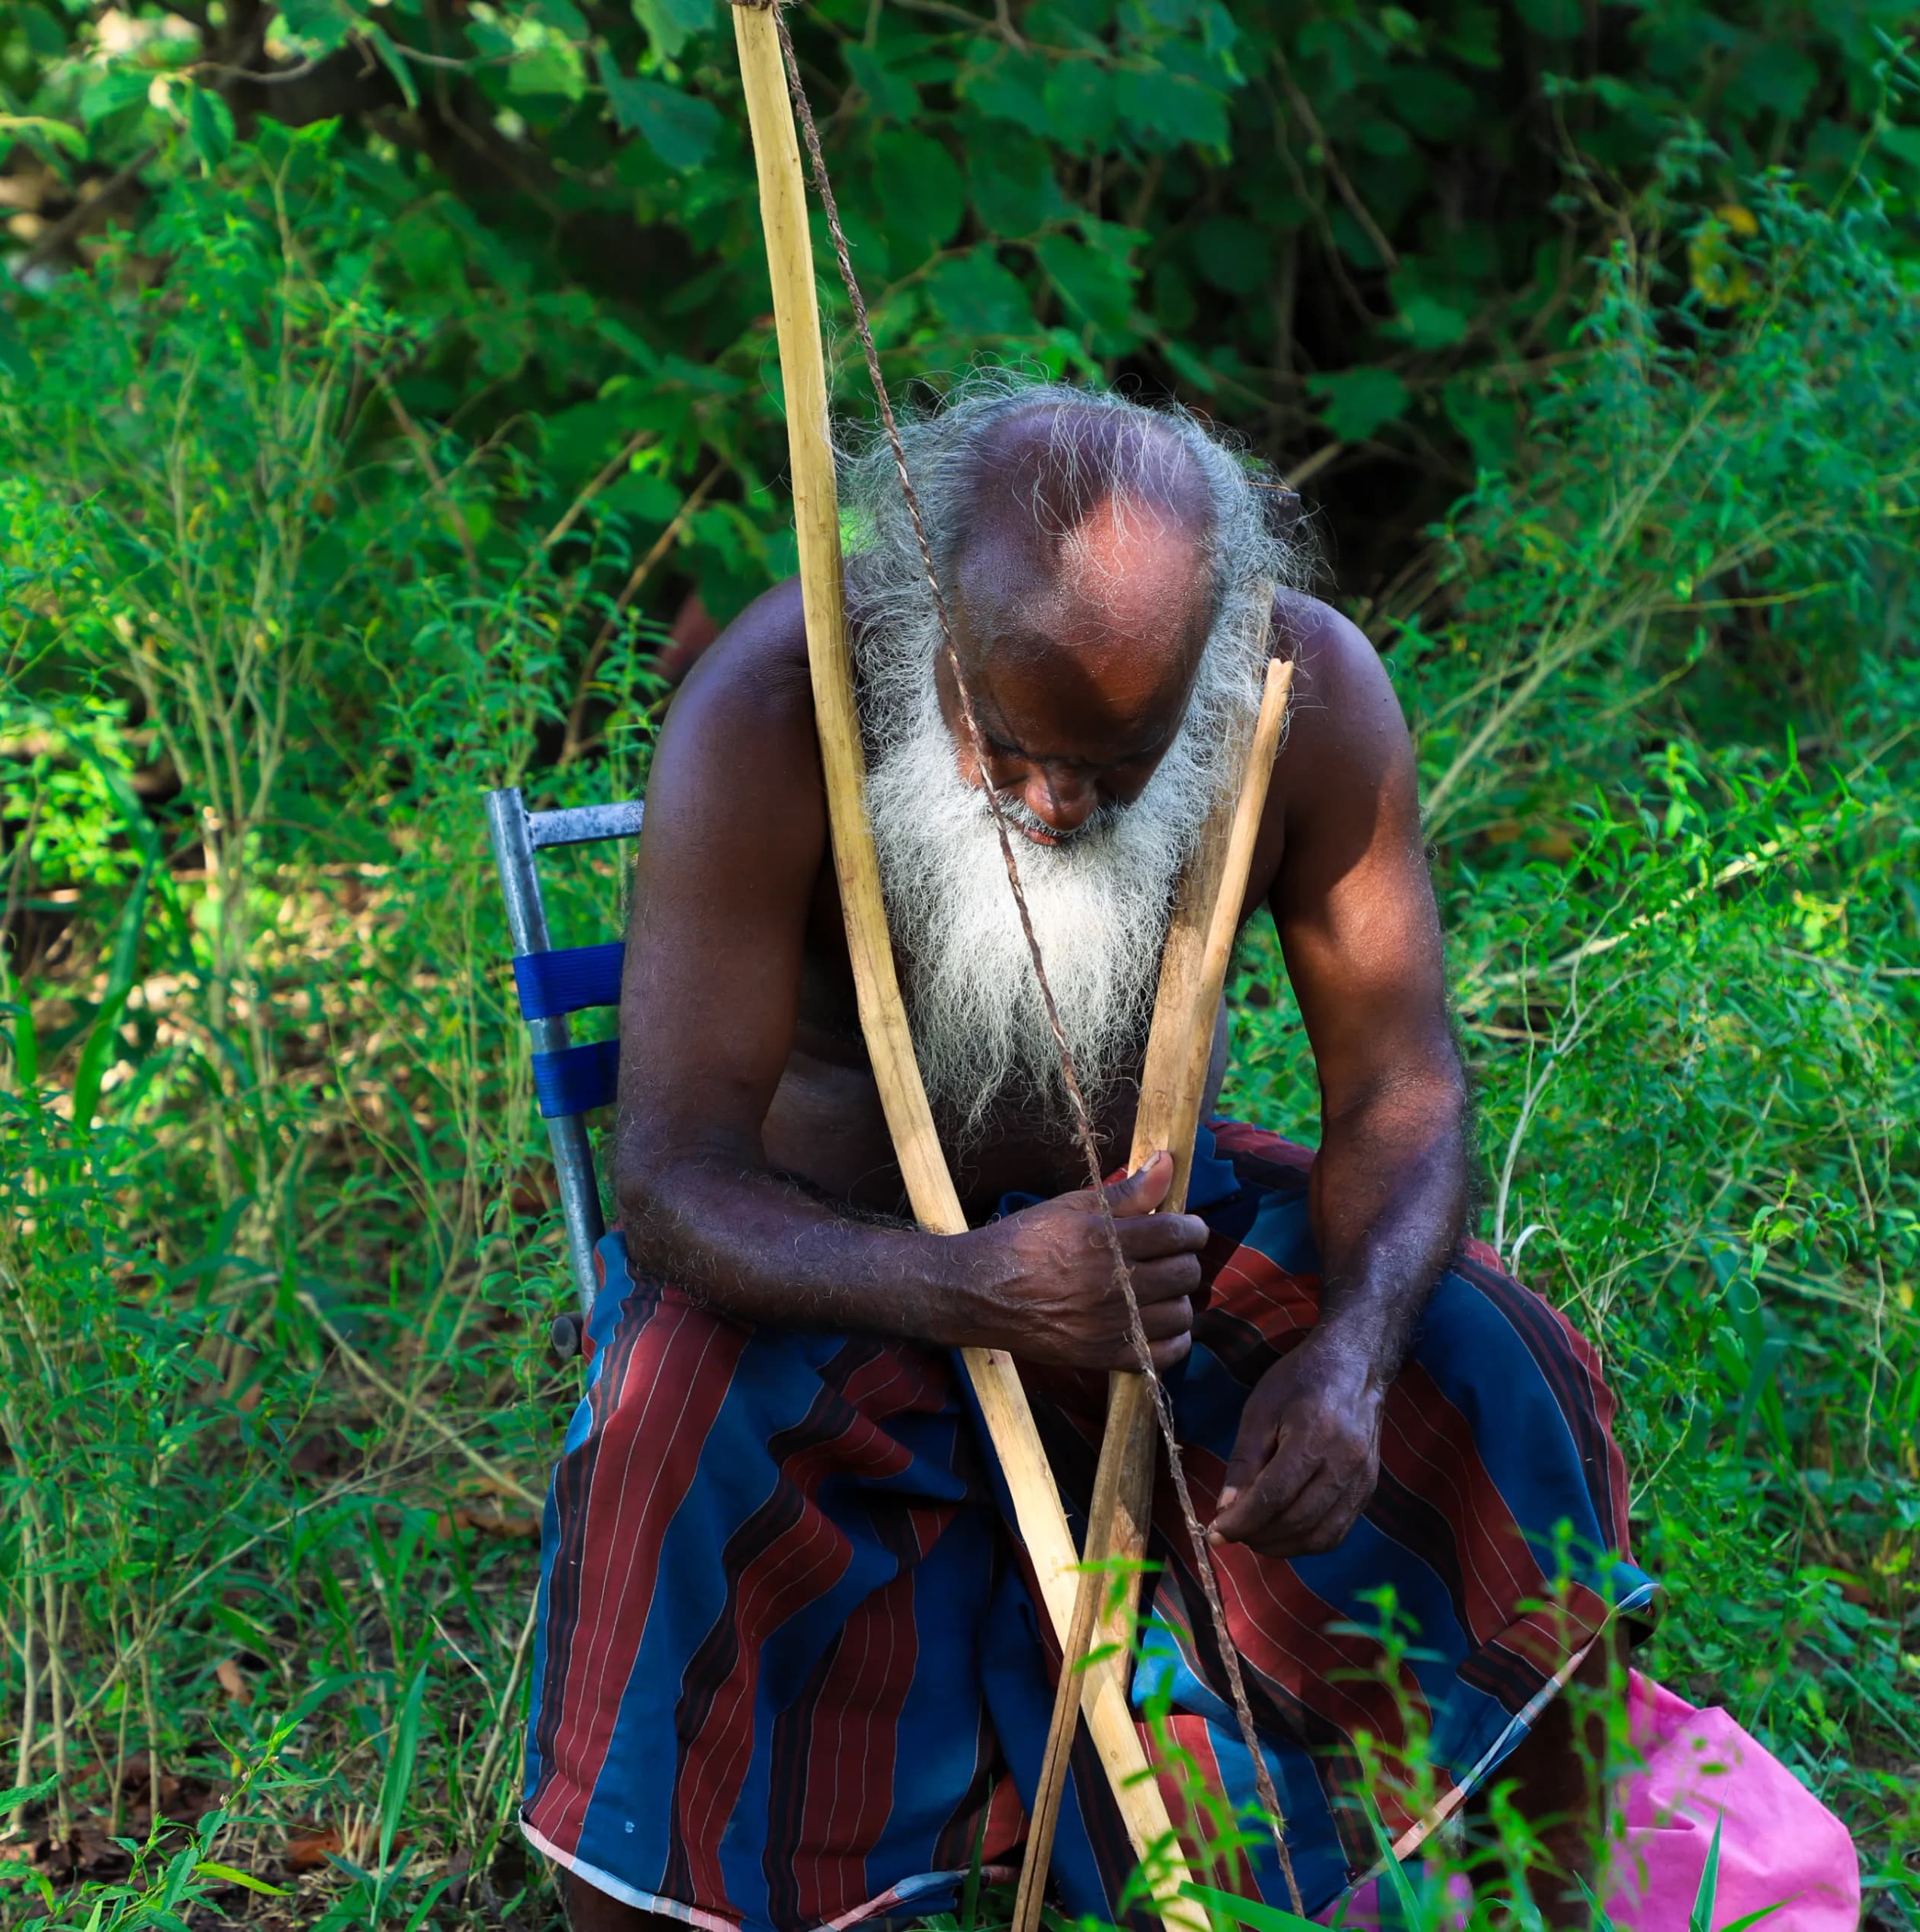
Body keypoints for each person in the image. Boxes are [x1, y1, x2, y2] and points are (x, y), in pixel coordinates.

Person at [519, 377, 1652, 1932]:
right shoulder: (778, 703)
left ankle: (1533, 1888)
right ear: (928, 617)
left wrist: (1353, 1363)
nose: (1056, 807)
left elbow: (1403, 1089)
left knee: (1493, 1351)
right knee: (660, 1427)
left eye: (1117, 771)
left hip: (1143, 1269)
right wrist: (975, 1285)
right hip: (840, 1279)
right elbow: (669, 1187)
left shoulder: (1299, 692)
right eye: (1012, 746)